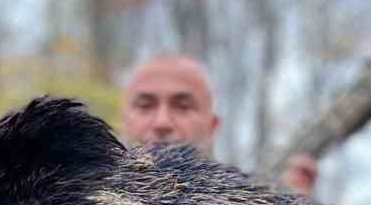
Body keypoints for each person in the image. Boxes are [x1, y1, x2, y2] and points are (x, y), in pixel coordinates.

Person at [119, 54, 319, 196]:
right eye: (145, 106)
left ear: (212, 126)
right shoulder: (92, 201)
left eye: (183, 107)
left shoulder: (251, 202)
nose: (162, 122)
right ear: (123, 122)